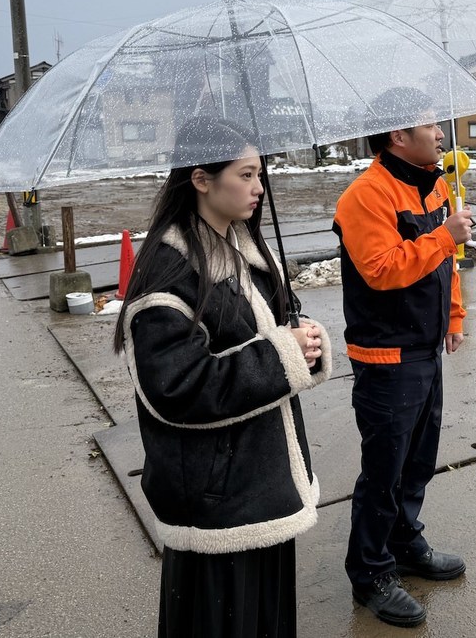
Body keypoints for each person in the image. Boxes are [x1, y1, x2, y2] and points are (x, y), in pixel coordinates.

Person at [113, 116, 332, 637]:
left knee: (266, 618)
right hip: (217, 500)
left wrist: (302, 342)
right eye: (246, 174)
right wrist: (282, 354)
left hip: (260, 480)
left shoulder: (242, 248)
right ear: (201, 179)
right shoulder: (168, 273)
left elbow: (265, 335)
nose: (259, 188)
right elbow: (178, 388)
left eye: (260, 175)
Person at [332, 93, 474, 628]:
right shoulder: (364, 196)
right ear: (396, 136)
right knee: (384, 470)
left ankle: (404, 540)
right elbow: (381, 270)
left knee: (418, 460)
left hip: (425, 346)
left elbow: (447, 265)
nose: (439, 134)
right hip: (385, 354)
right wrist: (444, 235)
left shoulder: (435, 184)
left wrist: (454, 317)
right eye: (428, 124)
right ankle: (369, 573)